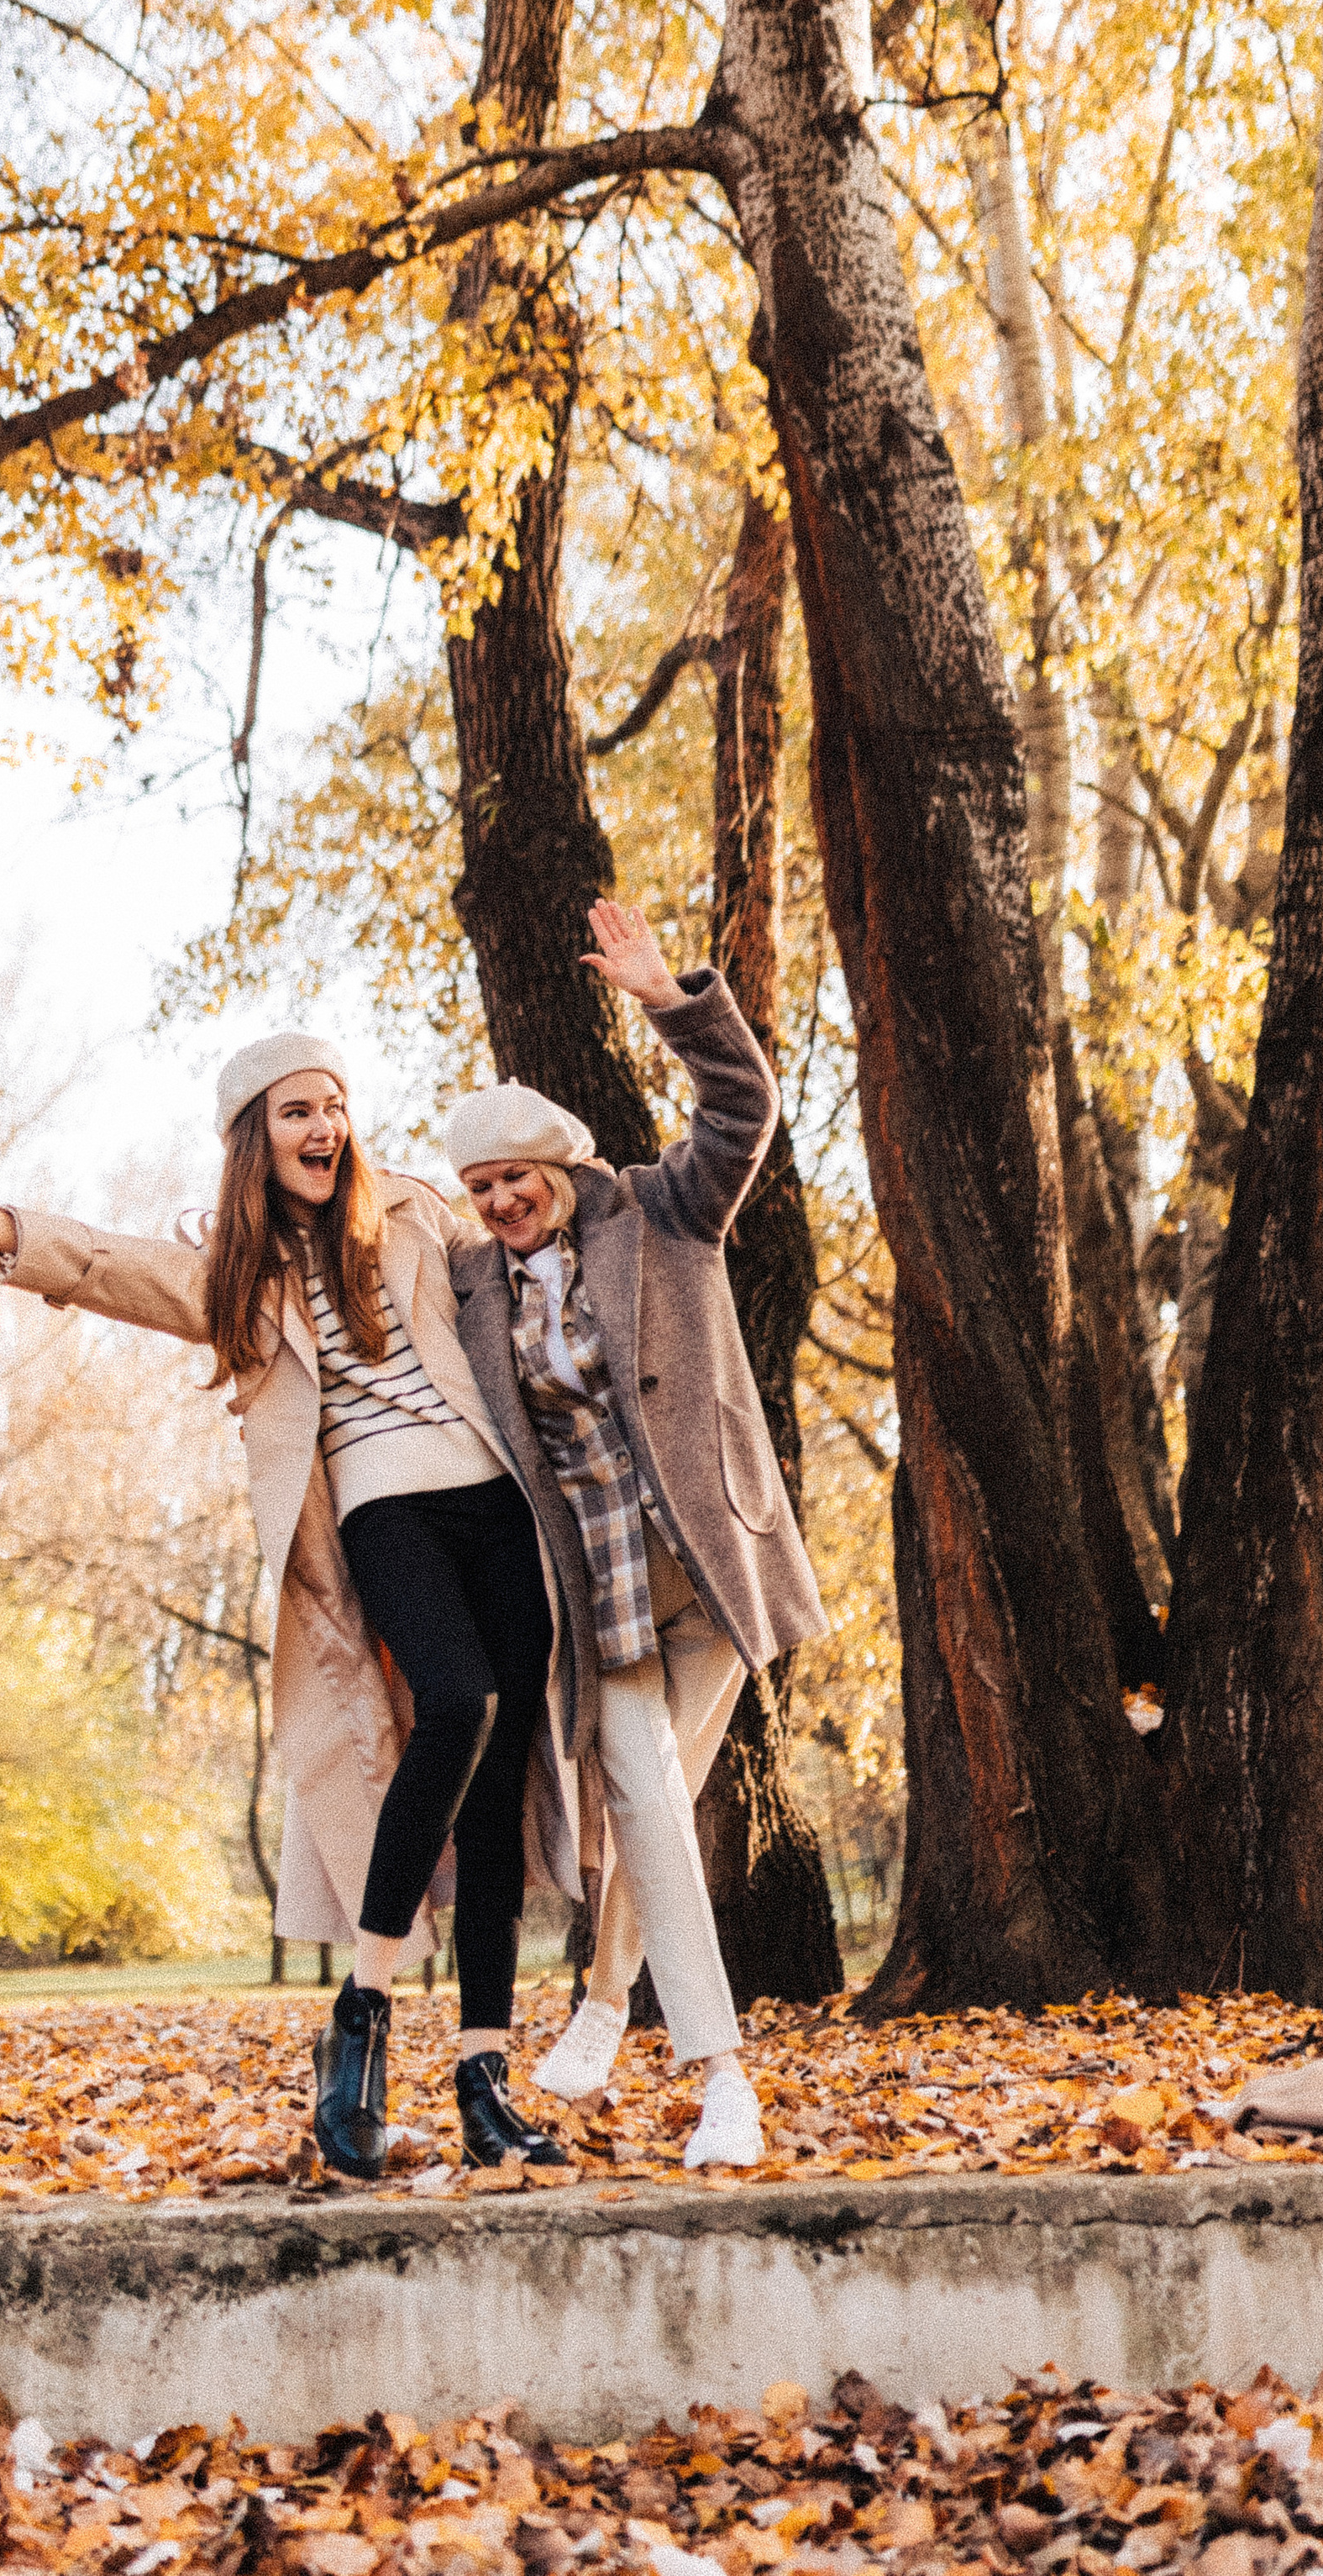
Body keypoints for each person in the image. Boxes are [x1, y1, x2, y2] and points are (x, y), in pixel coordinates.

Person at [0, 1033, 594, 2182]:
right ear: (254, 1137)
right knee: (458, 1701)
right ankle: (364, 2014)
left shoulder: (425, 1217)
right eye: (296, 1111)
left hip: (498, 1503)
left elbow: (541, 1239)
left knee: (495, 1788)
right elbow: (106, 1265)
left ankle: (485, 2076)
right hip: (382, 1513)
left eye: (334, 1105)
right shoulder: (234, 1275)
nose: (324, 1126)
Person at [443, 898, 828, 2172]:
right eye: (482, 1186)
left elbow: (742, 1111)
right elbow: (357, 1235)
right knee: (652, 1803)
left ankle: (611, 2008)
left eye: (517, 1179)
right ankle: (721, 2077)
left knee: (658, 1813)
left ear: (560, 1172)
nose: (501, 1200)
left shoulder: (664, 1213)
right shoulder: (468, 1288)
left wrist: (676, 1001)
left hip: (709, 1573)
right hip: (598, 1593)